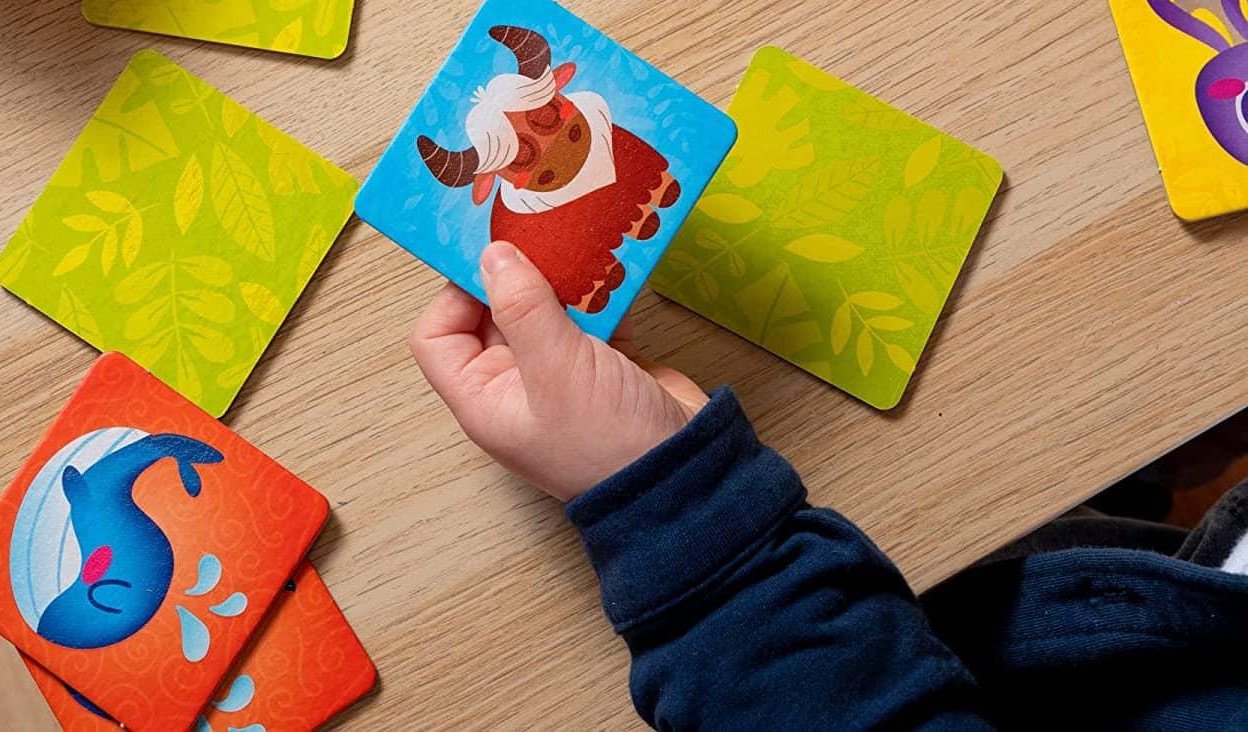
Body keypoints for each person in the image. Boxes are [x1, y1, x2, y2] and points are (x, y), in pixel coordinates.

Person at [409, 241, 1248, 730]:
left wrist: (672, 505)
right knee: (1120, 494)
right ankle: (1159, 486)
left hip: (979, 653)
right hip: (1146, 611)